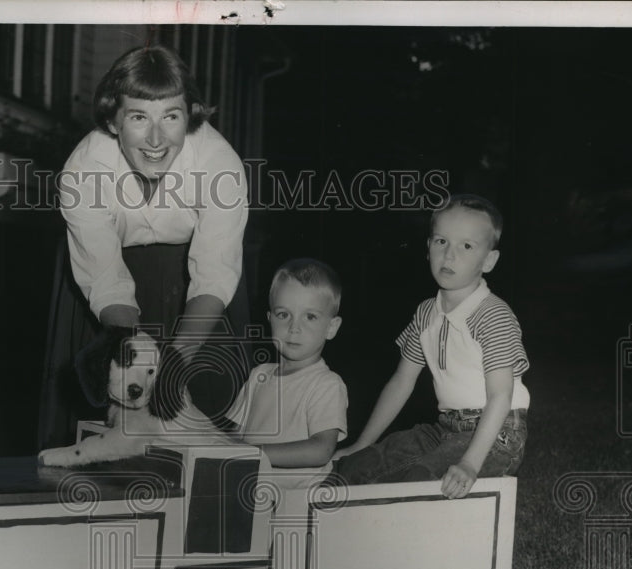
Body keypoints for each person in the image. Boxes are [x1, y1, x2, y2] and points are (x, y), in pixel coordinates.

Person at [55, 43, 249, 422]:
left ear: (190, 116)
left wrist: (173, 367)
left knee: (207, 410)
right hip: (111, 281)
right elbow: (106, 280)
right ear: (113, 121)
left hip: (197, 285)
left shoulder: (219, 164)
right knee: (106, 425)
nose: (157, 139)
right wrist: (134, 364)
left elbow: (213, 274)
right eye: (139, 118)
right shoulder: (83, 170)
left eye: (171, 117)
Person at [334, 194, 529, 499]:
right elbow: (401, 381)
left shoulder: (493, 315)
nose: (449, 255)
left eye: (466, 246)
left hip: (498, 433)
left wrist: (469, 464)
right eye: (441, 242)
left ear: (489, 260)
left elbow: (501, 396)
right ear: (428, 249)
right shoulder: (426, 313)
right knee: (357, 467)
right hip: (446, 429)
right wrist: (362, 444)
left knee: (420, 479)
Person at [228, 259, 348, 486]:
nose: (294, 327)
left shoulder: (326, 384)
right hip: (252, 498)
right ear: (270, 319)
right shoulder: (258, 376)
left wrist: (254, 453)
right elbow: (235, 437)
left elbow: (321, 449)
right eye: (283, 314)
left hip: (299, 506)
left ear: (331, 327)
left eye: (310, 316)